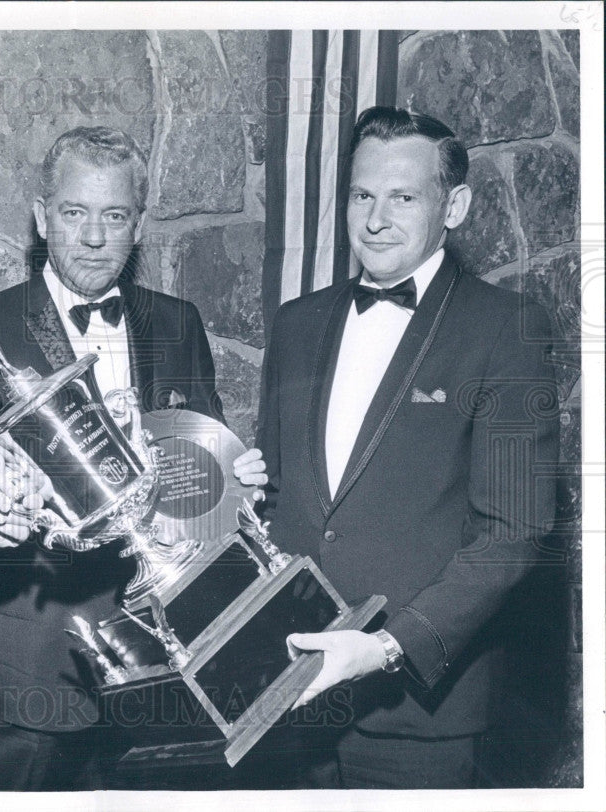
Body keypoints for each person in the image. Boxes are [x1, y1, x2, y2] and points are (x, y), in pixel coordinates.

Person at [0, 126, 267, 791]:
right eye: (75, 213)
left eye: (114, 216)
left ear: (138, 226)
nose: (93, 236)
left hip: (163, 652)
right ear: (43, 217)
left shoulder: (177, 321)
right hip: (31, 661)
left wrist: (233, 479)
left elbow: (200, 450)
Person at [255, 106, 560, 788]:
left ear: (453, 206)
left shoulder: (507, 327)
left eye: (403, 197)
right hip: (286, 698)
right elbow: (281, 502)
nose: (375, 220)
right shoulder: (296, 325)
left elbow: (514, 533)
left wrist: (389, 648)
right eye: (362, 195)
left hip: (420, 715)